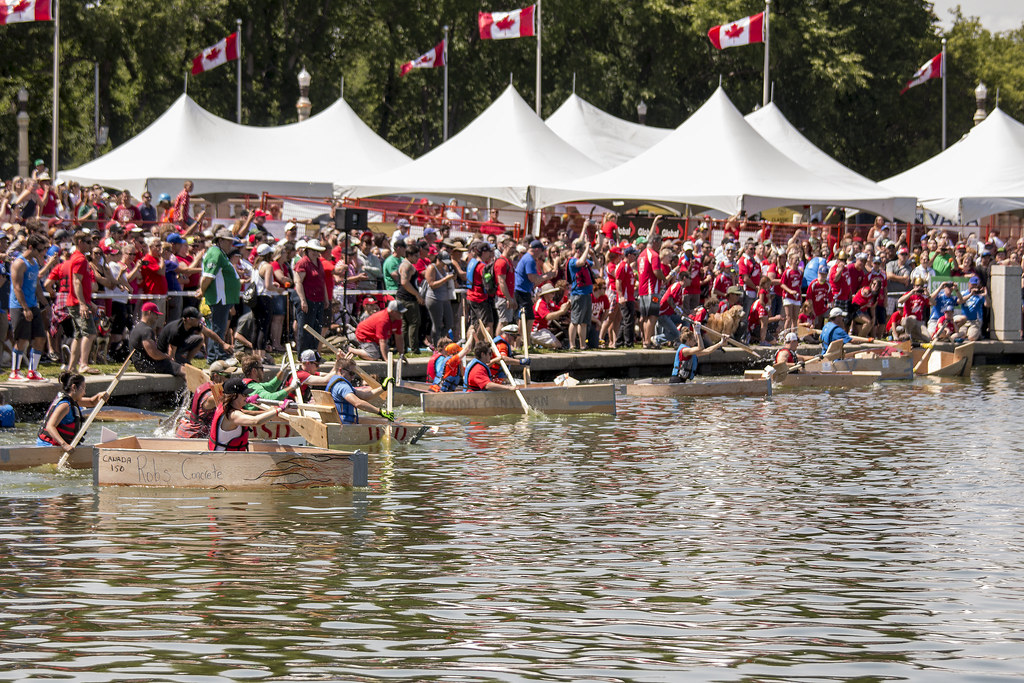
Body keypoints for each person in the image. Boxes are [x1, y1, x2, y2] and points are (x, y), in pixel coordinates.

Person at [9, 234, 50, 381]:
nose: (42, 253)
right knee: (22, 339)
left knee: (40, 337)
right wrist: (25, 308)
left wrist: (45, 304)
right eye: (40, 250)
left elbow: (37, 286)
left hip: (33, 304)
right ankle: (15, 371)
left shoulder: (34, 262)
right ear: (31, 247)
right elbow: (17, 288)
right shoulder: (19, 263)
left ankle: (32, 371)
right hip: (19, 306)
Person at [208, 377, 287, 452]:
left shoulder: (224, 405)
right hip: (224, 460)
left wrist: (248, 400)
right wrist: (279, 409)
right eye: (244, 395)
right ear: (234, 396)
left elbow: (246, 413)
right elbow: (256, 421)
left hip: (229, 457)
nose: (247, 396)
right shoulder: (233, 415)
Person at [37, 372, 110, 452]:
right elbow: (50, 426)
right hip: (49, 446)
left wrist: (100, 395)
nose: (84, 392)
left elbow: (91, 402)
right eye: (83, 388)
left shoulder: (73, 400)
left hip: (57, 445)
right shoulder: (65, 405)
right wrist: (65, 445)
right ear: (74, 387)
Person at [198, 228, 240, 362]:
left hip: (222, 298)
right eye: (228, 242)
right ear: (220, 240)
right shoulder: (215, 254)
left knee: (218, 328)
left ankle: (215, 355)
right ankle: (215, 356)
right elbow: (207, 277)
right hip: (218, 298)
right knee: (217, 329)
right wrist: (202, 291)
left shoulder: (219, 253)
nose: (230, 245)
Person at [176, 359, 238, 439]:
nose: (230, 379)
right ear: (216, 376)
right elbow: (232, 406)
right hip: (193, 436)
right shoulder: (211, 397)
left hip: (190, 430)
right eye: (227, 376)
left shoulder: (208, 385)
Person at [67, 231, 100, 374]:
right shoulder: (80, 259)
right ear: (80, 242)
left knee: (79, 335)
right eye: (87, 241)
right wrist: (82, 303)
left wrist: (88, 301)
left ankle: (71, 367)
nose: (90, 245)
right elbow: (77, 281)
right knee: (90, 332)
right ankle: (83, 364)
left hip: (77, 301)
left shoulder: (78, 257)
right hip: (77, 303)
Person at [326, 357, 394, 424]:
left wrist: (383, 388)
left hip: (338, 420)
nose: (353, 377)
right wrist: (379, 411)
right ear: (341, 370)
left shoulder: (335, 382)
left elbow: (365, 396)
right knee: (387, 422)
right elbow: (358, 403)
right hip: (344, 424)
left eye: (354, 374)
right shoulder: (342, 386)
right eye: (351, 373)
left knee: (378, 420)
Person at [157, 306, 231, 364]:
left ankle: (187, 361)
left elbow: (209, 333)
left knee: (199, 339)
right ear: (189, 319)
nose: (200, 320)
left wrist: (223, 344)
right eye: (197, 318)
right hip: (164, 351)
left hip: (178, 347)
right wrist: (173, 365)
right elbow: (171, 350)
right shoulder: (176, 330)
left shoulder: (194, 325)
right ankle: (181, 363)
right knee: (177, 365)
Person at [294, 238, 329, 353]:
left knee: (316, 328)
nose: (315, 252)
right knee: (305, 329)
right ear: (308, 250)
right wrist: (303, 301)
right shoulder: (303, 263)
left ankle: (314, 353)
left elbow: (322, 281)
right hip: (308, 299)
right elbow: (298, 282)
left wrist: (326, 298)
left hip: (318, 299)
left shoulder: (318, 262)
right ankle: (303, 354)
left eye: (316, 250)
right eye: (312, 250)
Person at [130, 302, 183, 377]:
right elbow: (154, 354)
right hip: (149, 366)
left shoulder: (136, 328)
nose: (157, 317)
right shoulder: (146, 330)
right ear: (149, 313)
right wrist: (168, 357)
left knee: (180, 364)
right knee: (184, 370)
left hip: (141, 366)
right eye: (156, 314)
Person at [424, 249, 456, 347]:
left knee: (449, 323)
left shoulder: (444, 268)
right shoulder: (431, 268)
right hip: (434, 299)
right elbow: (432, 284)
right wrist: (446, 279)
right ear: (438, 259)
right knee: (437, 323)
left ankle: (441, 341)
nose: (444, 264)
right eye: (443, 262)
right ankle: (436, 343)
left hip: (444, 298)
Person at [566, 238, 594, 351]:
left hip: (587, 294)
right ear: (578, 251)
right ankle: (572, 345)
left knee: (584, 322)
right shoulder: (572, 261)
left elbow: (597, 265)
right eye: (582, 250)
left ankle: (583, 345)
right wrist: (587, 247)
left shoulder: (586, 261)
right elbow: (580, 262)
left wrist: (593, 254)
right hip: (578, 294)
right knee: (575, 320)